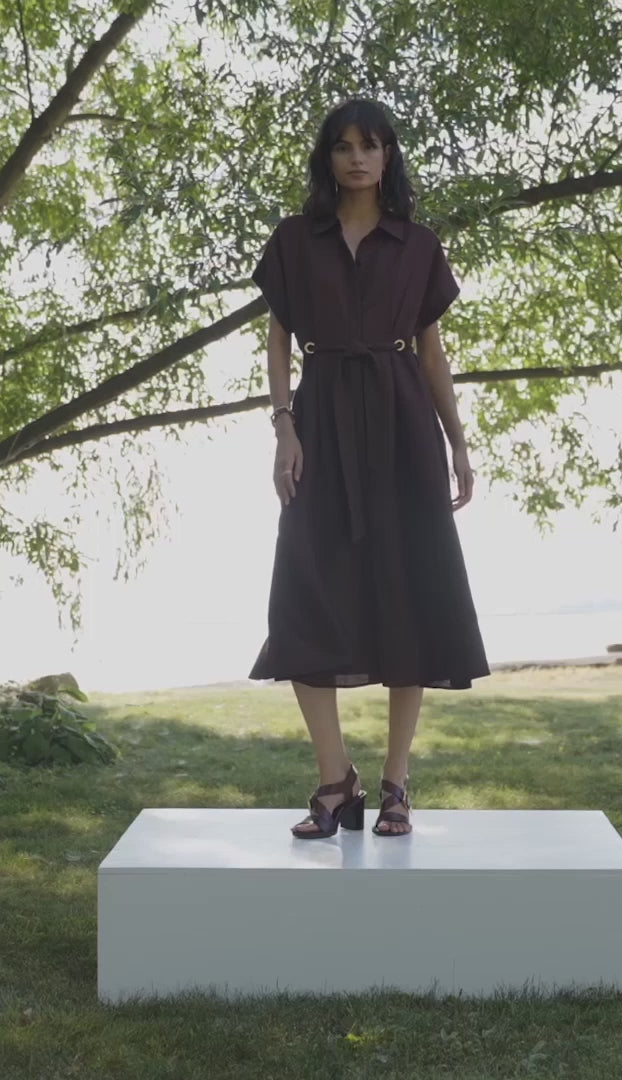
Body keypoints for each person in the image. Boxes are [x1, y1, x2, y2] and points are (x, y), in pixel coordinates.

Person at [247, 97, 491, 839]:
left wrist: (457, 440)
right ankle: (334, 780)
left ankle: (395, 784)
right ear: (328, 156)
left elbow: (431, 353)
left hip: (401, 422)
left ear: (389, 157)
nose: (357, 157)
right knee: (304, 597)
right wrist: (284, 426)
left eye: (372, 145)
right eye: (344, 145)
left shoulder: (417, 244)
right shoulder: (295, 239)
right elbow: (280, 341)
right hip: (320, 421)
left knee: (408, 595)